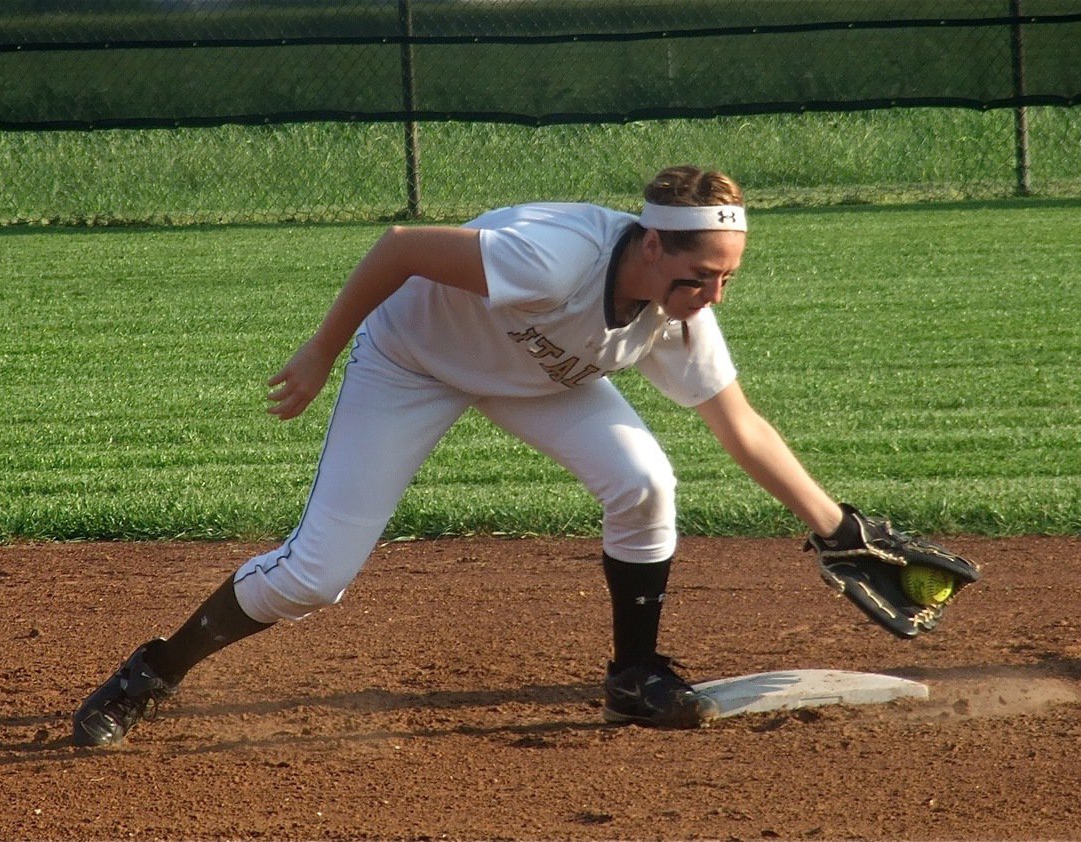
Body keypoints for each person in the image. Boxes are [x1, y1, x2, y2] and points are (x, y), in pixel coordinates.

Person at [73, 164, 871, 746]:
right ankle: (151, 674)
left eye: (726, 280)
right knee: (315, 575)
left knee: (645, 484)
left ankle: (635, 677)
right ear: (652, 243)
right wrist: (321, 352)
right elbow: (400, 248)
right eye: (703, 277)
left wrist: (836, 527)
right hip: (412, 360)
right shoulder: (554, 258)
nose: (714, 299)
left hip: (534, 375)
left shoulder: (677, 312)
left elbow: (741, 426)